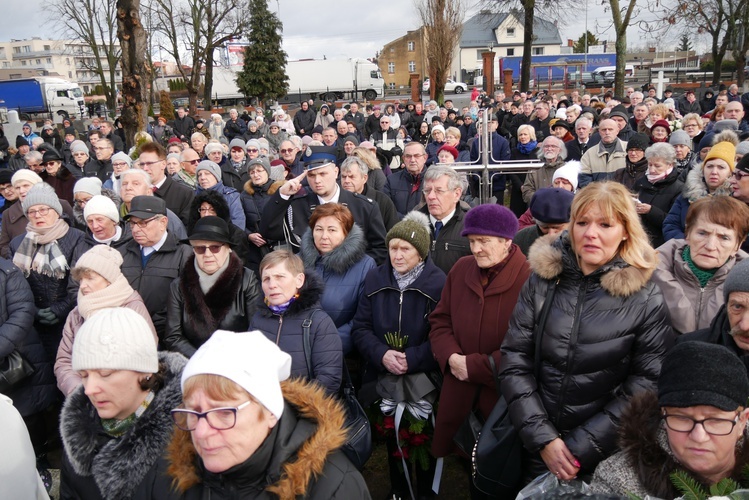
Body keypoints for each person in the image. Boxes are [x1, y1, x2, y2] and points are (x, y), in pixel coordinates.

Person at [500, 181, 674, 485]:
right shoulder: (542, 280)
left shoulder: (646, 298)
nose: (590, 233)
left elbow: (646, 385)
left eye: (605, 224)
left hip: (606, 456)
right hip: (535, 447)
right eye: (582, 222)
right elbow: (515, 357)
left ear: (625, 231)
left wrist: (579, 448)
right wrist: (543, 439)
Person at [165, 330, 370, 498]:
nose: (201, 433)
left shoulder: (333, 488)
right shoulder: (170, 476)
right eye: (194, 412)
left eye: (224, 413)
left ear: (270, 411)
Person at [429, 204, 531, 491]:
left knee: (502, 470)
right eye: (472, 241)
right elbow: (440, 319)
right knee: (466, 459)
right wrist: (450, 357)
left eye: (484, 241)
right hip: (459, 390)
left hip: (502, 400)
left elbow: (533, 344)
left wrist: (474, 367)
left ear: (507, 241)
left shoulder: (529, 278)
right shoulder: (461, 269)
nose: (476, 249)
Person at [352, 213, 447, 499]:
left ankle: (428, 491)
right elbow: (361, 328)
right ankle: (399, 491)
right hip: (384, 373)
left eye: (405, 249)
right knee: (394, 435)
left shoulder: (438, 282)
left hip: (424, 376)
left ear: (420, 252)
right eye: (393, 248)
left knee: (423, 437)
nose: (397, 255)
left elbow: (443, 333)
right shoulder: (375, 278)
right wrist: (382, 354)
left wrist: (414, 358)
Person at [590, 341, 749, 498]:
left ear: (742, 420)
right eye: (682, 418)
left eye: (715, 420)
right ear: (663, 414)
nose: (699, 437)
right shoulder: (618, 481)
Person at [59, 307, 186, 499]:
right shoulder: (78, 438)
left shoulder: (189, 436)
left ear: (145, 371)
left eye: (105, 374)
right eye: (84, 375)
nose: (89, 389)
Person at [55, 245, 156, 396]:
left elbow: (145, 357)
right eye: (81, 279)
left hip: (124, 397)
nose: (82, 286)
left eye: (90, 278)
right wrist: (79, 392)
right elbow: (64, 361)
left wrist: (108, 390)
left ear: (109, 279)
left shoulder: (133, 308)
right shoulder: (77, 313)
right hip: (86, 396)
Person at [260, 146, 387, 265]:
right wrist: (282, 195)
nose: (317, 181)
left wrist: (355, 268)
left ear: (336, 172)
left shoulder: (364, 206)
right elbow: (269, 231)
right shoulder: (297, 206)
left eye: (322, 174)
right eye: (311, 175)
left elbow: (380, 249)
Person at [10, 183, 87, 362]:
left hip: (69, 319)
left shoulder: (77, 238)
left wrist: (59, 309)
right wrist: (34, 311)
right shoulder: (18, 244)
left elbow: (81, 282)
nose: (38, 215)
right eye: (31, 211)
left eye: (44, 209)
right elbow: (16, 285)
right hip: (33, 322)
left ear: (56, 211)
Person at [164, 217, 260, 358]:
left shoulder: (246, 280)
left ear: (228, 249)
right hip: (194, 365)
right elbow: (173, 337)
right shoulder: (178, 286)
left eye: (215, 247)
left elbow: (255, 331)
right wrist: (203, 361)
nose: (207, 254)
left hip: (237, 363)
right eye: (200, 248)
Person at [249, 250, 343, 393]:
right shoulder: (258, 319)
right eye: (266, 279)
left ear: (299, 280)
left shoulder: (319, 322)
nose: (272, 284)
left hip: (301, 410)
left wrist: (290, 408)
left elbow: (328, 380)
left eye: (280, 277)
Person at [653, 196, 749, 335]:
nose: (710, 246)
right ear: (688, 234)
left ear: (737, 245)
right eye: (702, 233)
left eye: (724, 238)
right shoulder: (648, 273)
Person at [300, 203, 376, 355]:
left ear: (346, 233)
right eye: (319, 229)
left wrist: (328, 344)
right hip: (297, 350)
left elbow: (363, 318)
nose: (324, 236)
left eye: (332, 230)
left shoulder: (365, 266)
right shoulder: (296, 263)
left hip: (339, 352)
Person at [119, 196, 193, 339]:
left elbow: (186, 301)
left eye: (143, 223)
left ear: (163, 222)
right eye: (132, 223)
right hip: (126, 333)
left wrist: (154, 325)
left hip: (166, 335)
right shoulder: (122, 252)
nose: (135, 229)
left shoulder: (184, 254)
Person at [663, 132, 736, 242]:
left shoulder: (736, 200)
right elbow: (670, 224)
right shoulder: (688, 194)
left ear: (730, 172)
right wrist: (688, 243)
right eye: (710, 166)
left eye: (721, 167)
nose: (714, 172)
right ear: (703, 169)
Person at [633, 143, 685, 248]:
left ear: (669, 165)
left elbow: (675, 221)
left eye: (657, 166)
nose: (652, 170)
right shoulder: (641, 182)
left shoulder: (679, 188)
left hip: (661, 244)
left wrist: (651, 211)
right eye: (650, 165)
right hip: (637, 240)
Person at [514, 187, 574, 256]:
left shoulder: (581, 241)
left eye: (556, 228)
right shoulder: (521, 239)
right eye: (545, 227)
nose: (551, 234)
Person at [195, 160, 246, 230]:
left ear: (216, 177)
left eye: (207, 173)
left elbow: (238, 223)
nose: (202, 177)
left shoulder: (231, 196)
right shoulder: (192, 195)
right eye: (199, 174)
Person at [579, 119, 628, 187]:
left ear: (617, 131)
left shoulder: (628, 150)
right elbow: (584, 178)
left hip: (622, 195)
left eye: (610, 129)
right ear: (599, 132)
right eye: (604, 130)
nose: (607, 132)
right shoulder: (589, 154)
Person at [521, 136, 567, 204]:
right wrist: (542, 200)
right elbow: (527, 191)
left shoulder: (566, 168)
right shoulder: (534, 168)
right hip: (538, 209)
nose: (549, 149)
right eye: (546, 146)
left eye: (553, 146)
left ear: (559, 150)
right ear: (542, 149)